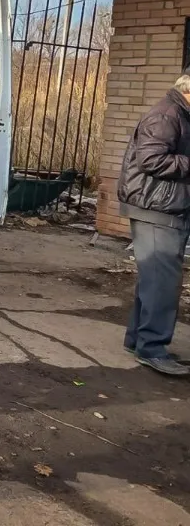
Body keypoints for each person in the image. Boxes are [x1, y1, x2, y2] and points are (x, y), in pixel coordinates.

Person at [116, 71, 190, 377]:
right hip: (158, 208)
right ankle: (153, 349)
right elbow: (151, 160)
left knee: (154, 278)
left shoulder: (178, 113)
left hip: (161, 206)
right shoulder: (167, 114)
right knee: (162, 282)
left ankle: (138, 340)